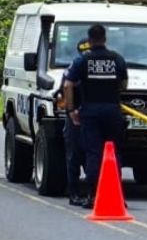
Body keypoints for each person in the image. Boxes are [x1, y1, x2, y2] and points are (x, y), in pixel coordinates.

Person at [64, 24, 128, 209]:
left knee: (94, 154)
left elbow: (68, 85)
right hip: (112, 111)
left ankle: (92, 195)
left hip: (90, 113)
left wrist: (71, 110)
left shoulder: (83, 60)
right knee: (114, 154)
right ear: (105, 38)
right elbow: (124, 84)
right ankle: (117, 196)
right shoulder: (117, 59)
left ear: (90, 40)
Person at [55, 38, 92, 207]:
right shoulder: (74, 68)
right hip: (76, 117)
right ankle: (74, 193)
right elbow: (64, 89)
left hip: (93, 117)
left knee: (92, 157)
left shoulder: (99, 68)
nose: (87, 55)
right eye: (84, 52)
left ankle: (92, 193)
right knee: (74, 157)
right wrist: (71, 111)